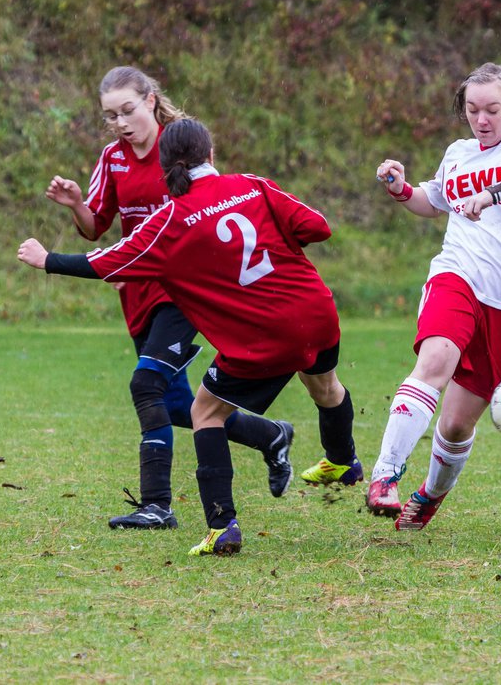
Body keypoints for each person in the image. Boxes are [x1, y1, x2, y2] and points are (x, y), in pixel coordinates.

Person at [20, 118, 361, 556]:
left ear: (165, 169)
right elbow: (318, 227)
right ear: (211, 155)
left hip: (262, 334)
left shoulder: (170, 220)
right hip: (313, 311)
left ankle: (223, 526)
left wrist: (48, 260)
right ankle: (344, 460)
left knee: (205, 413)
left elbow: (109, 263)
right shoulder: (253, 185)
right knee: (326, 386)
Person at [42, 67, 295, 532]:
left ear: (151, 101)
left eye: (128, 110)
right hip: (138, 293)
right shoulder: (112, 159)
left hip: (181, 294)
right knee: (177, 405)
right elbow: (97, 225)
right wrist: (77, 204)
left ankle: (157, 504)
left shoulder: (179, 152)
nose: (119, 122)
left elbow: (214, 208)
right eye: (110, 115)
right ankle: (271, 434)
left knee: (145, 385)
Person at [367, 62, 501, 530]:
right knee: (435, 360)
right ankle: (384, 475)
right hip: (458, 274)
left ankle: (429, 495)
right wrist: (401, 189)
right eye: (472, 110)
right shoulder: (459, 152)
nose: (482, 120)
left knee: (458, 424)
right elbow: (433, 200)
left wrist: (495, 193)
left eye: (492, 110)